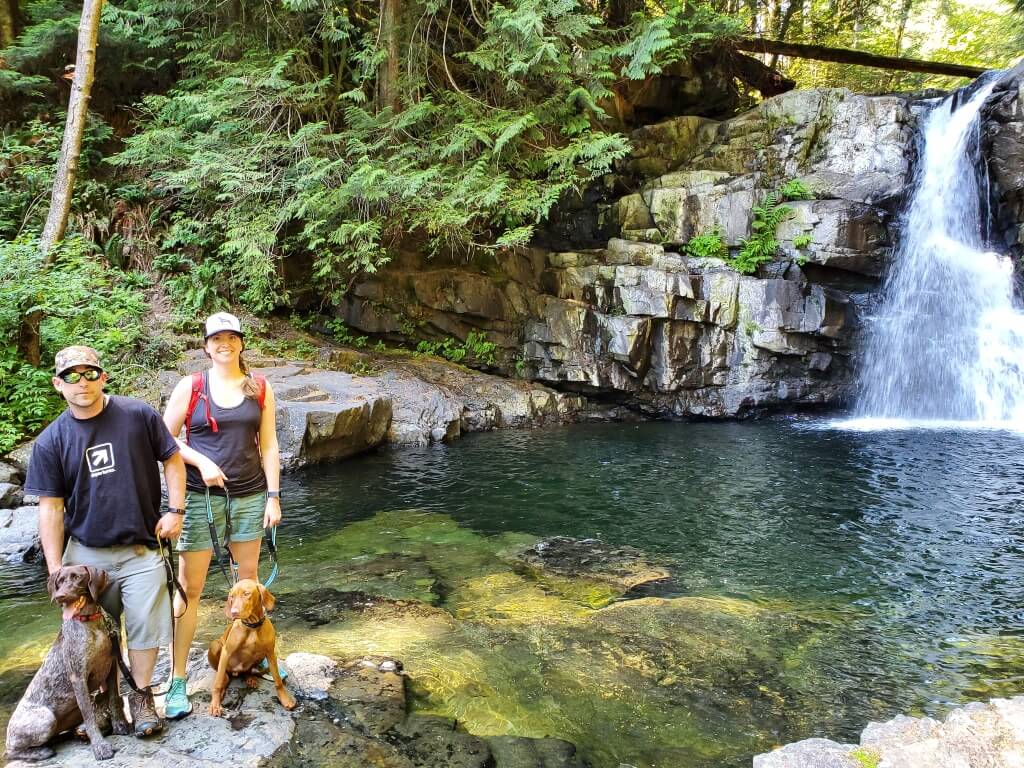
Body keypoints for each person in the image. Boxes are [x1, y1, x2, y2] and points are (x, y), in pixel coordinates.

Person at [23, 345, 186, 737]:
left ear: (104, 377)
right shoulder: (51, 441)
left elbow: (173, 458)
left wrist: (176, 511)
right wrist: (55, 570)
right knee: (94, 637)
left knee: (146, 627)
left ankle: (142, 698)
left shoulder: (138, 415)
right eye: (72, 376)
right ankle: (105, 705)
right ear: (58, 385)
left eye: (90, 373)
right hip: (85, 557)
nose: (83, 383)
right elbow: (51, 509)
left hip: (141, 547)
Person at [160, 312, 281, 719]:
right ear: (206, 345)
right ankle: (177, 680)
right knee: (188, 591)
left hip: (249, 496)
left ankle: (249, 655)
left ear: (241, 343)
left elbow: (269, 445)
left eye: (232, 337)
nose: (224, 344)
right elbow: (165, 437)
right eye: (216, 338)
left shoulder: (259, 387)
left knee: (246, 590)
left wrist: (274, 496)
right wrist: (201, 462)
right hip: (199, 498)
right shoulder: (192, 387)